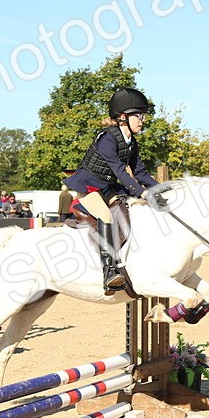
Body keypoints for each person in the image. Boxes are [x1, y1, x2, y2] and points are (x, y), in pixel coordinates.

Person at [62, 87, 160, 291]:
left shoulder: (131, 142)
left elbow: (139, 172)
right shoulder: (106, 138)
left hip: (107, 187)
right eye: (139, 116)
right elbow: (120, 172)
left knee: (129, 208)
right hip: (88, 188)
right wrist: (141, 192)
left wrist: (161, 189)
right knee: (106, 216)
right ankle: (109, 271)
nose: (142, 120)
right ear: (123, 117)